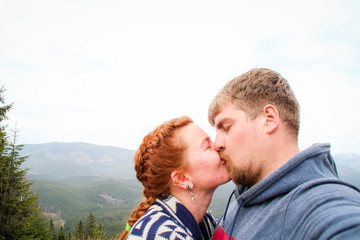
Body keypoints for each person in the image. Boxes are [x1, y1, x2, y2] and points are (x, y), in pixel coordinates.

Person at [208, 68, 360, 239]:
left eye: (226, 127)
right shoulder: (241, 199)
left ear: (269, 119)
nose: (216, 144)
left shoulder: (322, 207)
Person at [118, 116, 230, 240]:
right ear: (182, 179)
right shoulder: (161, 235)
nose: (218, 145)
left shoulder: (204, 222)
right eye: (207, 146)